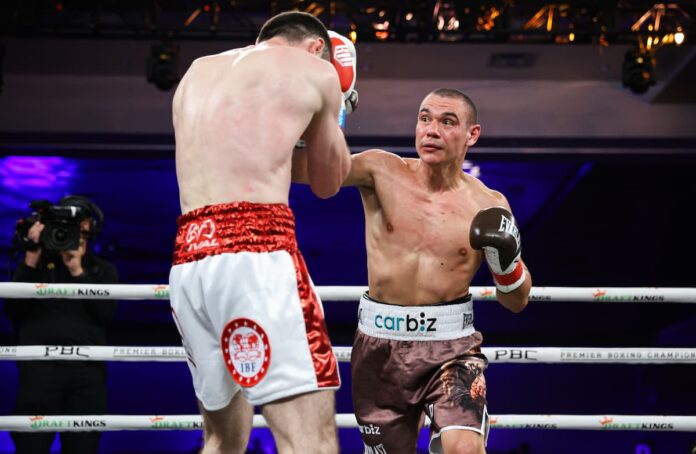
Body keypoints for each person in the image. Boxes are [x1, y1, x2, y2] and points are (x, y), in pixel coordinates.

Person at [294, 87, 532, 453]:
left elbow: (516, 301)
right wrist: (325, 113)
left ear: (472, 134)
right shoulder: (380, 170)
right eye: (424, 118)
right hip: (378, 347)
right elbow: (302, 170)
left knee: (464, 449)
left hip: (452, 350)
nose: (431, 130)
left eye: (447, 121)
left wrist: (508, 264)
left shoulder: (489, 204)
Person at [168, 11, 356, 454]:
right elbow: (328, 183)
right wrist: (340, 107)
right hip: (258, 256)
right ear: (315, 48)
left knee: (221, 440)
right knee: (310, 440)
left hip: (190, 264)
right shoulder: (317, 71)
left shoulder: (198, 71)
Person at [4, 195, 118, 454]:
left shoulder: (103, 271)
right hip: (39, 372)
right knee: (30, 445)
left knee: (83, 447)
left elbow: (106, 314)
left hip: (87, 374)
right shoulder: (33, 267)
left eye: (79, 232)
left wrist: (77, 270)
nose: (69, 236)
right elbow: (13, 311)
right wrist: (31, 258)